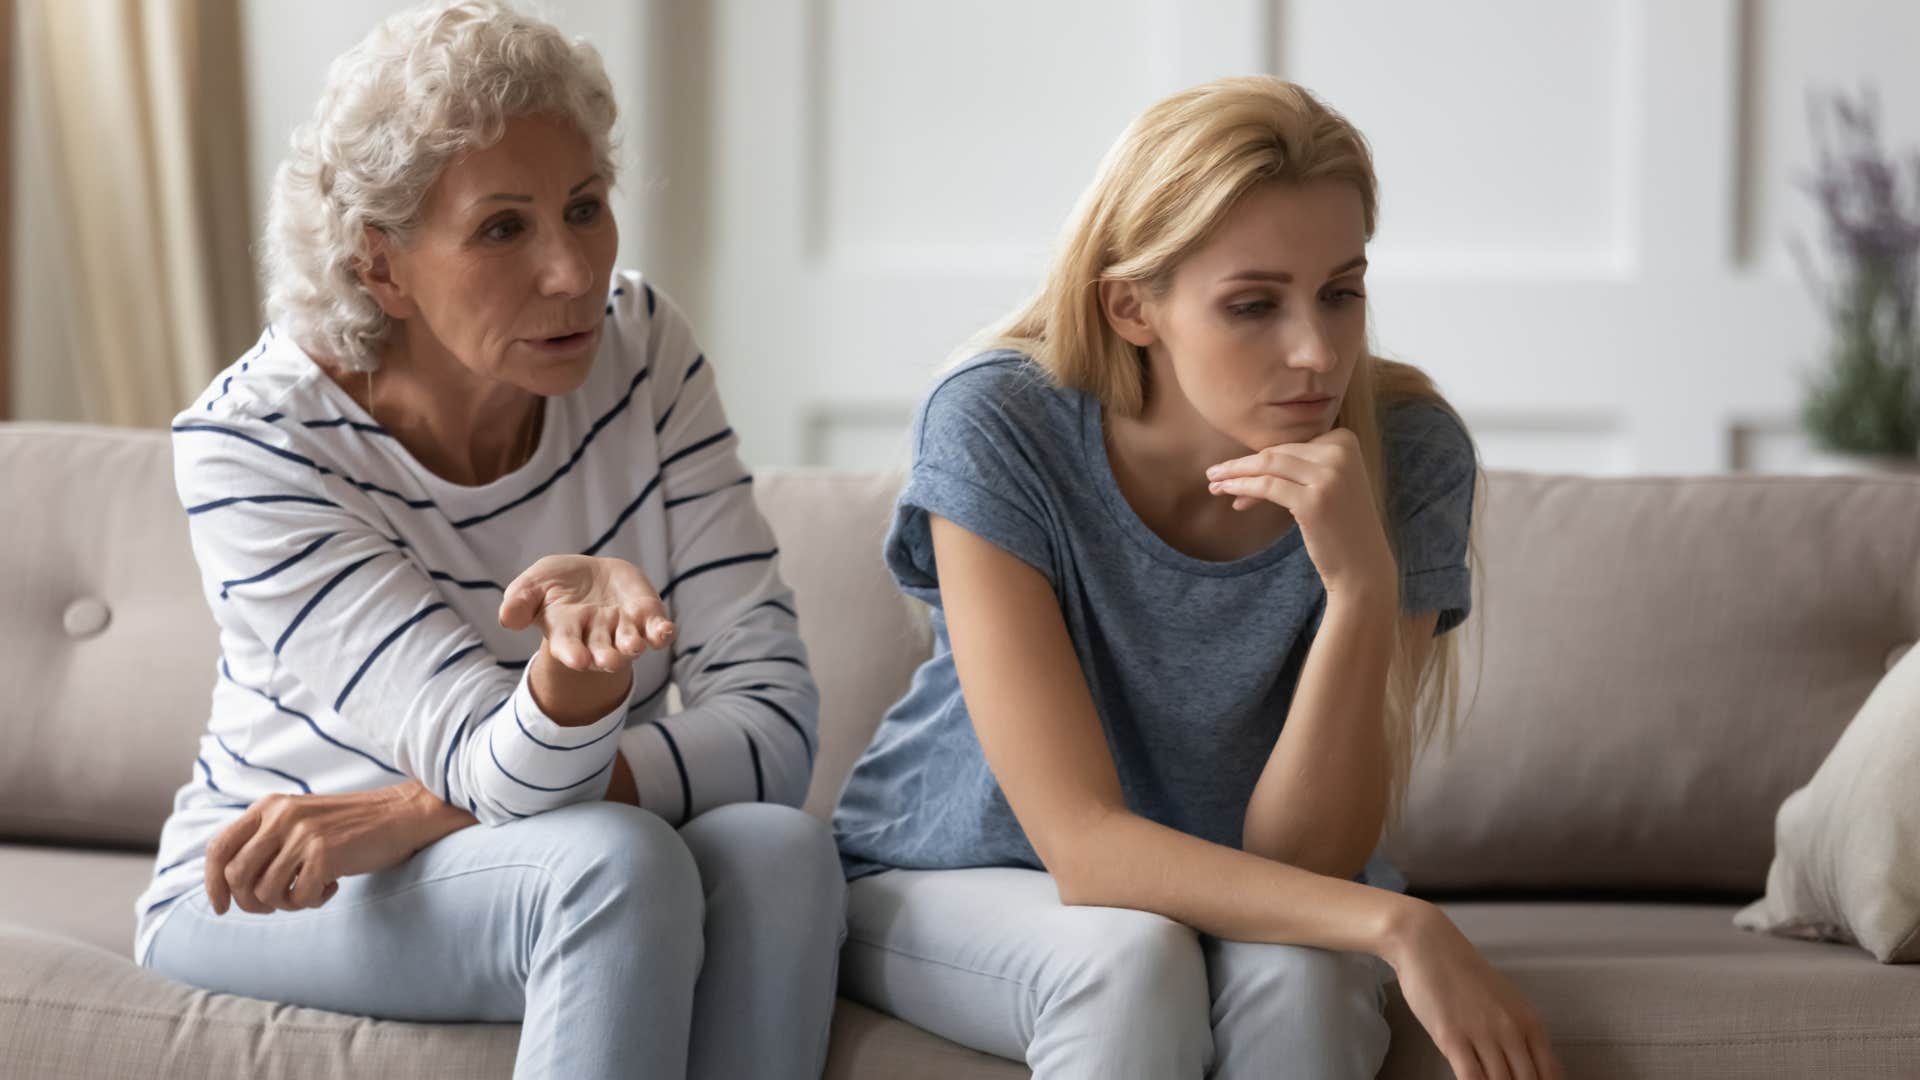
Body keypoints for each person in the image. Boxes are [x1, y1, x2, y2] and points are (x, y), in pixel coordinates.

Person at [134, 3, 843, 1077]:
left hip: (436, 833)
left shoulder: (640, 346)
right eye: (504, 228)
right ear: (381, 267)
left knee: (781, 852)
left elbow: (776, 724)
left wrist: (410, 812)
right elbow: (486, 761)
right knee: (608, 865)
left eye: (586, 207)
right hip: (276, 882)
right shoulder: (254, 445)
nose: (573, 273)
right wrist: (574, 676)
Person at [832, 76, 1562, 1080]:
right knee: (1130, 963)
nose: (1318, 353)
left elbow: (1301, 861)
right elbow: (1085, 848)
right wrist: (1402, 925)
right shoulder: (1000, 423)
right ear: (1133, 306)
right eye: (1254, 304)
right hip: (967, 872)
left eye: (1341, 293)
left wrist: (1357, 588)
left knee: (1301, 989)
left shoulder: (1409, 450)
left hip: (1264, 889)